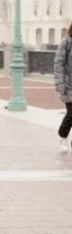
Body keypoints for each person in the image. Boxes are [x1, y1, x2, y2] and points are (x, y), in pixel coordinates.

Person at [54, 22, 72, 151]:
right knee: (71, 113)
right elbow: (58, 63)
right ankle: (63, 135)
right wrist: (60, 83)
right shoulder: (67, 42)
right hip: (69, 85)